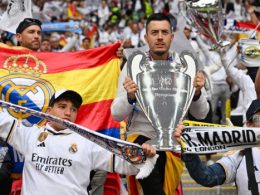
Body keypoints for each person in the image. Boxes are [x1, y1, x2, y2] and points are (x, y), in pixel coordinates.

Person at [111, 13, 209, 195]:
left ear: (172, 36)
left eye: (164, 32)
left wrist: (197, 93)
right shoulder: (133, 66)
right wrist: (130, 97)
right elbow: (116, 114)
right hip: (141, 140)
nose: (159, 37)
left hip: (173, 145)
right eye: (154, 32)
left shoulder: (185, 65)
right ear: (145, 37)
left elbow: (202, 113)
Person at [0, 89, 156, 195]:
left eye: (74, 109)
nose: (68, 113)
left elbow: (126, 164)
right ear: (48, 111)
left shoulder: (89, 142)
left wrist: (144, 154)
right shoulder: (30, 135)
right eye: (62, 107)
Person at [174, 98, 260, 195]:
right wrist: (187, 144)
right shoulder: (239, 156)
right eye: (259, 118)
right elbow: (206, 177)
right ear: (249, 125)